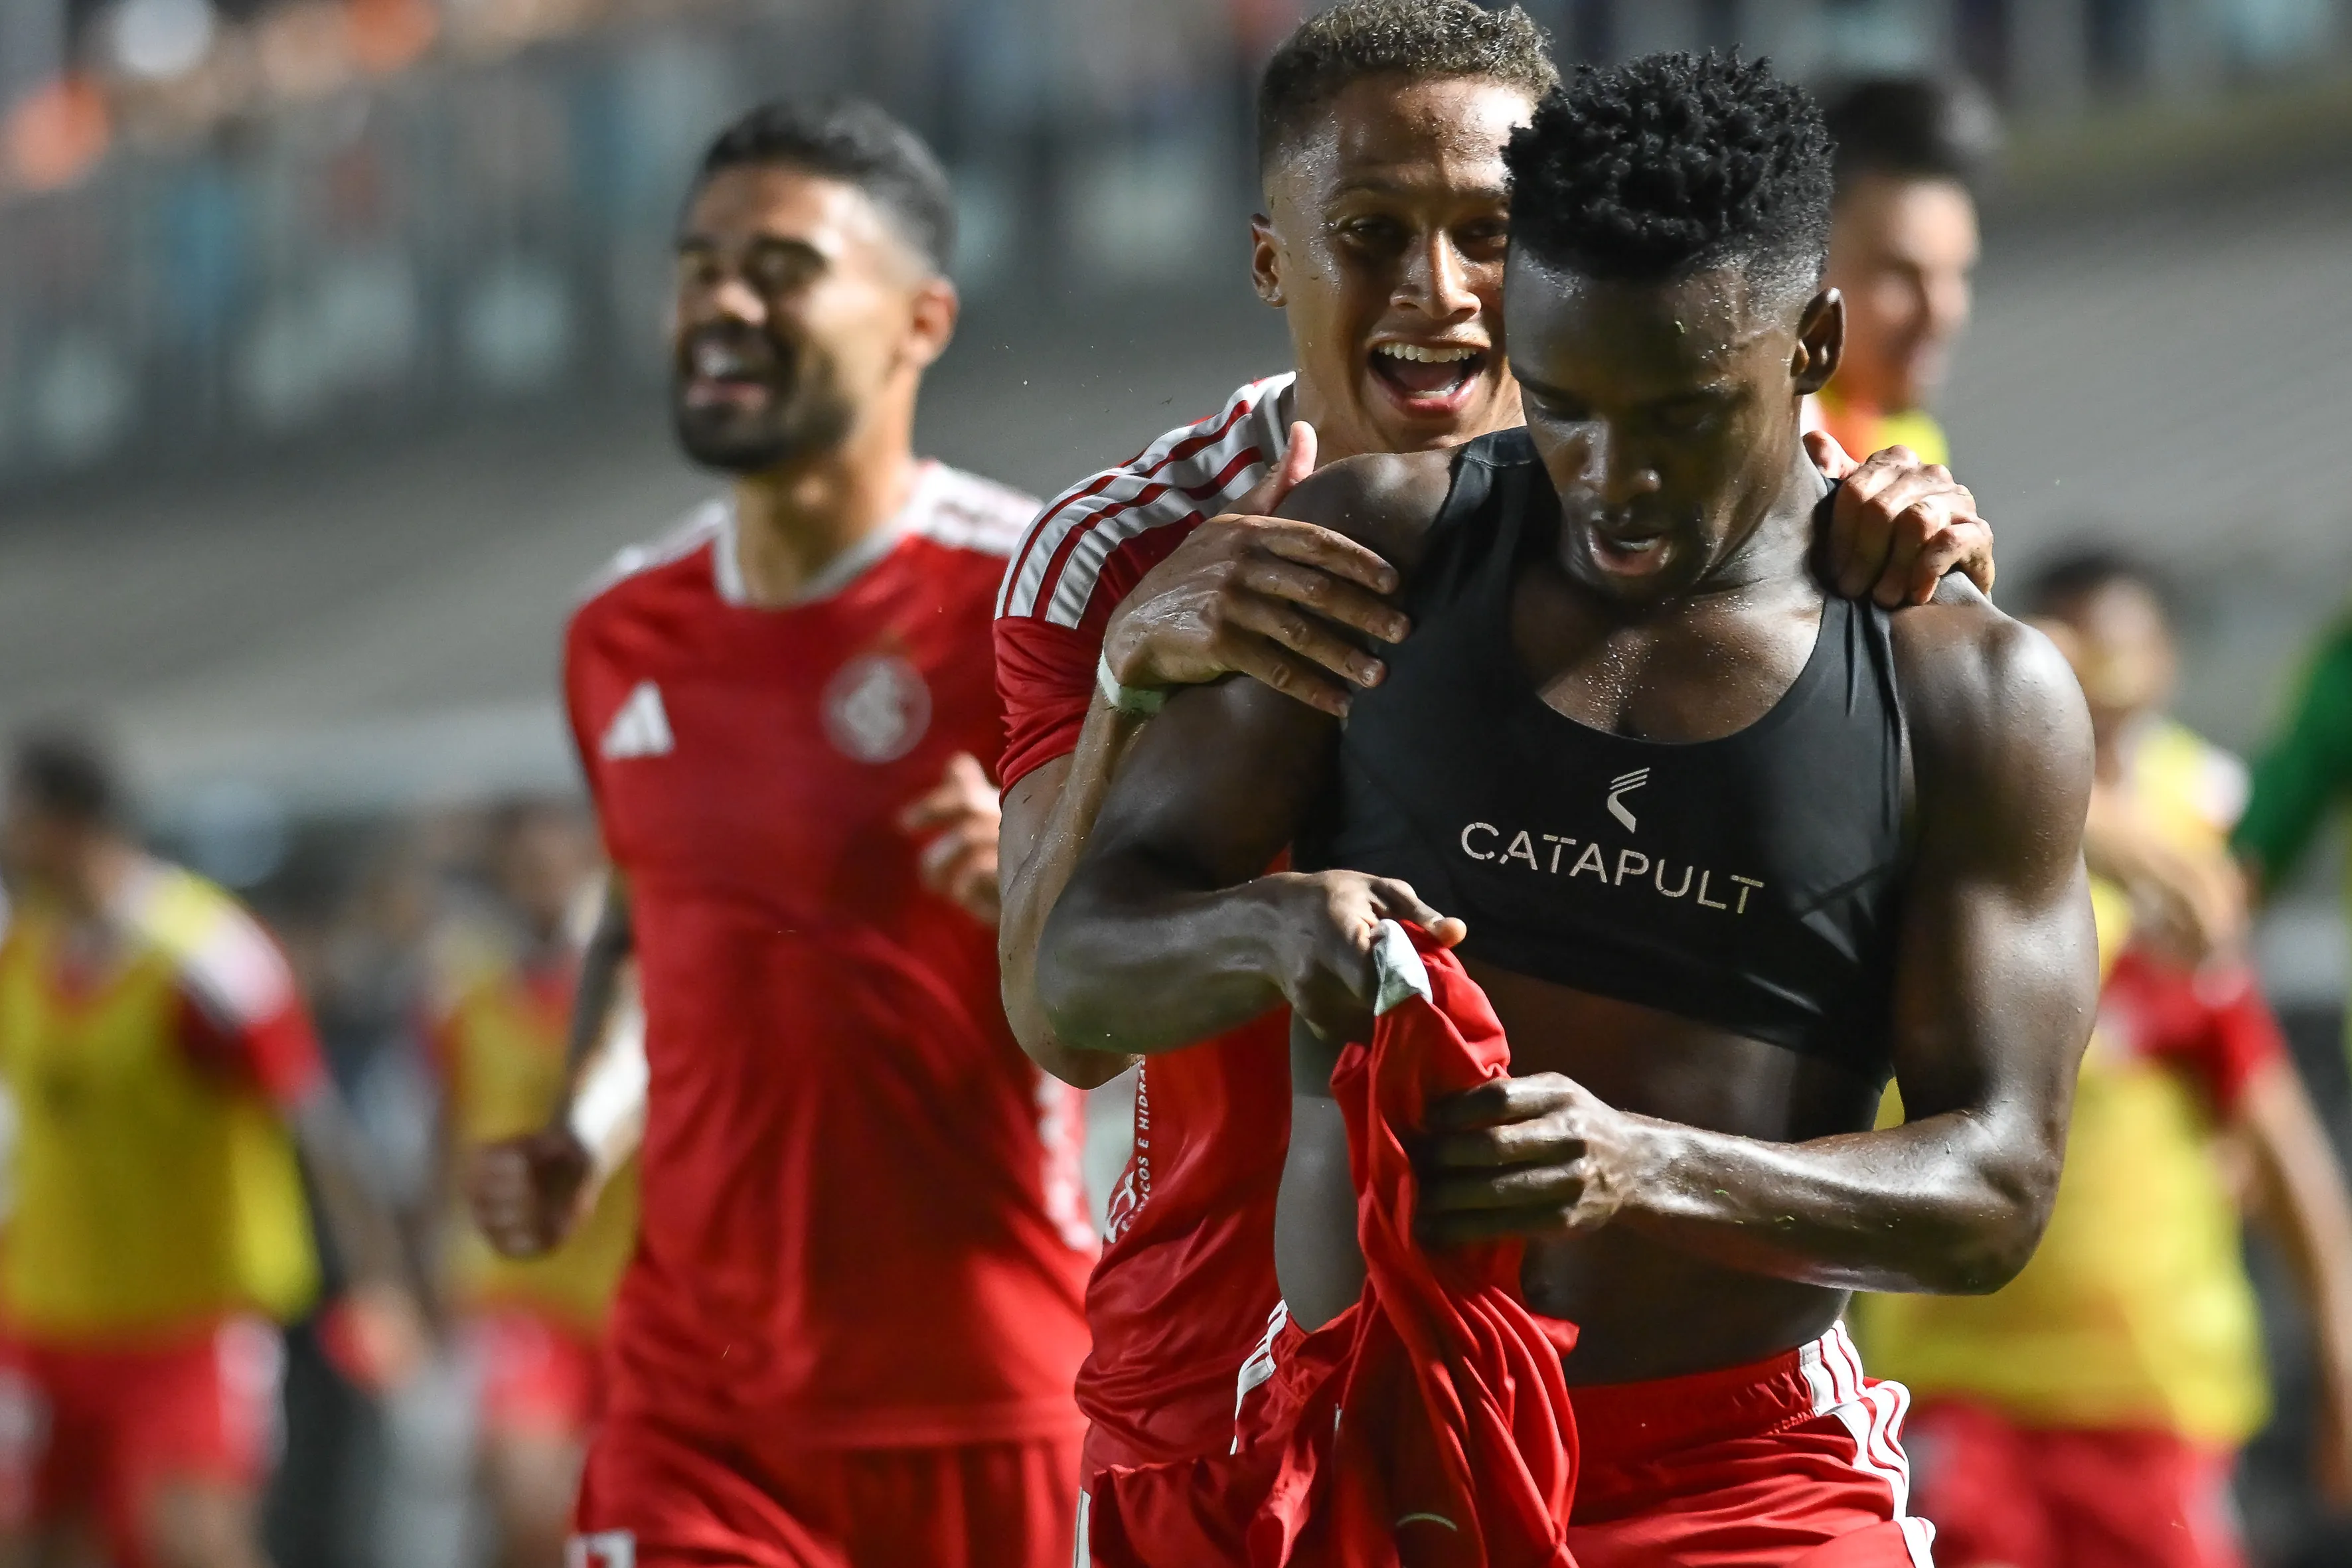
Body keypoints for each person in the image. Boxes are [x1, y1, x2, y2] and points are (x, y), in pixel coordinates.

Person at [1038, 51, 2102, 1565]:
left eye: (1677, 415)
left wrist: (1645, 1165)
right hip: (1374, 1448)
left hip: (1739, 1482)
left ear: (1808, 343)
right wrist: (1272, 930)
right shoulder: (1374, 557)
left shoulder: (1965, 691)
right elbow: (1081, 963)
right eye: (1563, 407)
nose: (1613, 482)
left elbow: (1994, 1190)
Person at [463, 98, 1095, 1568]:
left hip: (984, 1394)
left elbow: (1159, 996)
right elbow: (650, 915)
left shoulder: (1038, 602)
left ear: (920, 320)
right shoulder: (618, 631)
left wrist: (1051, 891)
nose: (721, 305)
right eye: (697, 266)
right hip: (698, 1410)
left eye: (782, 268)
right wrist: (586, 1125)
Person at [1861, 554, 2352, 1568]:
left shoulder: (2180, 907)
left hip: (2150, 1399)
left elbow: (2278, 1138)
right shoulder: (1917, 872)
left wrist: (2340, 1360)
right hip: (1958, 1390)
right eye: (2070, 653)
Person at [0, 727, 428, 1568]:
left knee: (194, 1540)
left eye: (20, 821)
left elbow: (318, 1126)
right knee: (33, 1544)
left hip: (189, 1324)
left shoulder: (205, 958)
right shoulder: (23, 951)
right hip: (46, 1315)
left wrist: (379, 1281)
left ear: (71, 825)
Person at [427, 801, 636, 1568]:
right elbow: (448, 1134)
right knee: (526, 1498)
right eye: (525, 870)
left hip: (632, 1292)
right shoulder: (467, 995)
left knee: (626, 1516)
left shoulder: (639, 987)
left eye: (554, 865)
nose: (541, 885)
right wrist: (431, 1271)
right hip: (518, 1289)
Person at [1812, 75, 1999, 468]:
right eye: (1898, 274)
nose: (1941, 312)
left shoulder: (1908, 441)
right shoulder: (1767, 451)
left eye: (1958, 274)